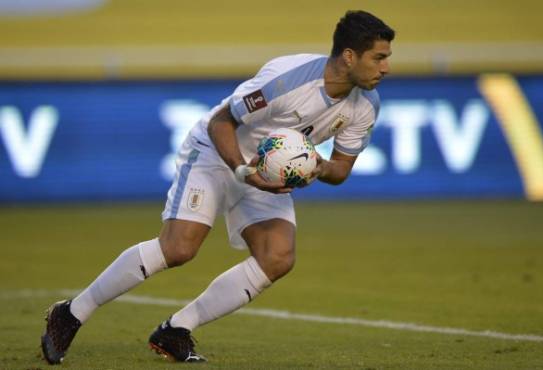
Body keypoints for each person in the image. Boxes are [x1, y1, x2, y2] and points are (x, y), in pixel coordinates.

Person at [41, 9, 395, 364]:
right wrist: (242, 170)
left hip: (266, 174)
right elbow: (221, 122)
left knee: (277, 257)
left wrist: (318, 166)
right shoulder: (288, 79)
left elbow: (341, 170)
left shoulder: (365, 106)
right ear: (349, 56)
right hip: (216, 153)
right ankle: (71, 313)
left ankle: (175, 330)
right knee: (178, 248)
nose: (386, 68)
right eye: (378, 58)